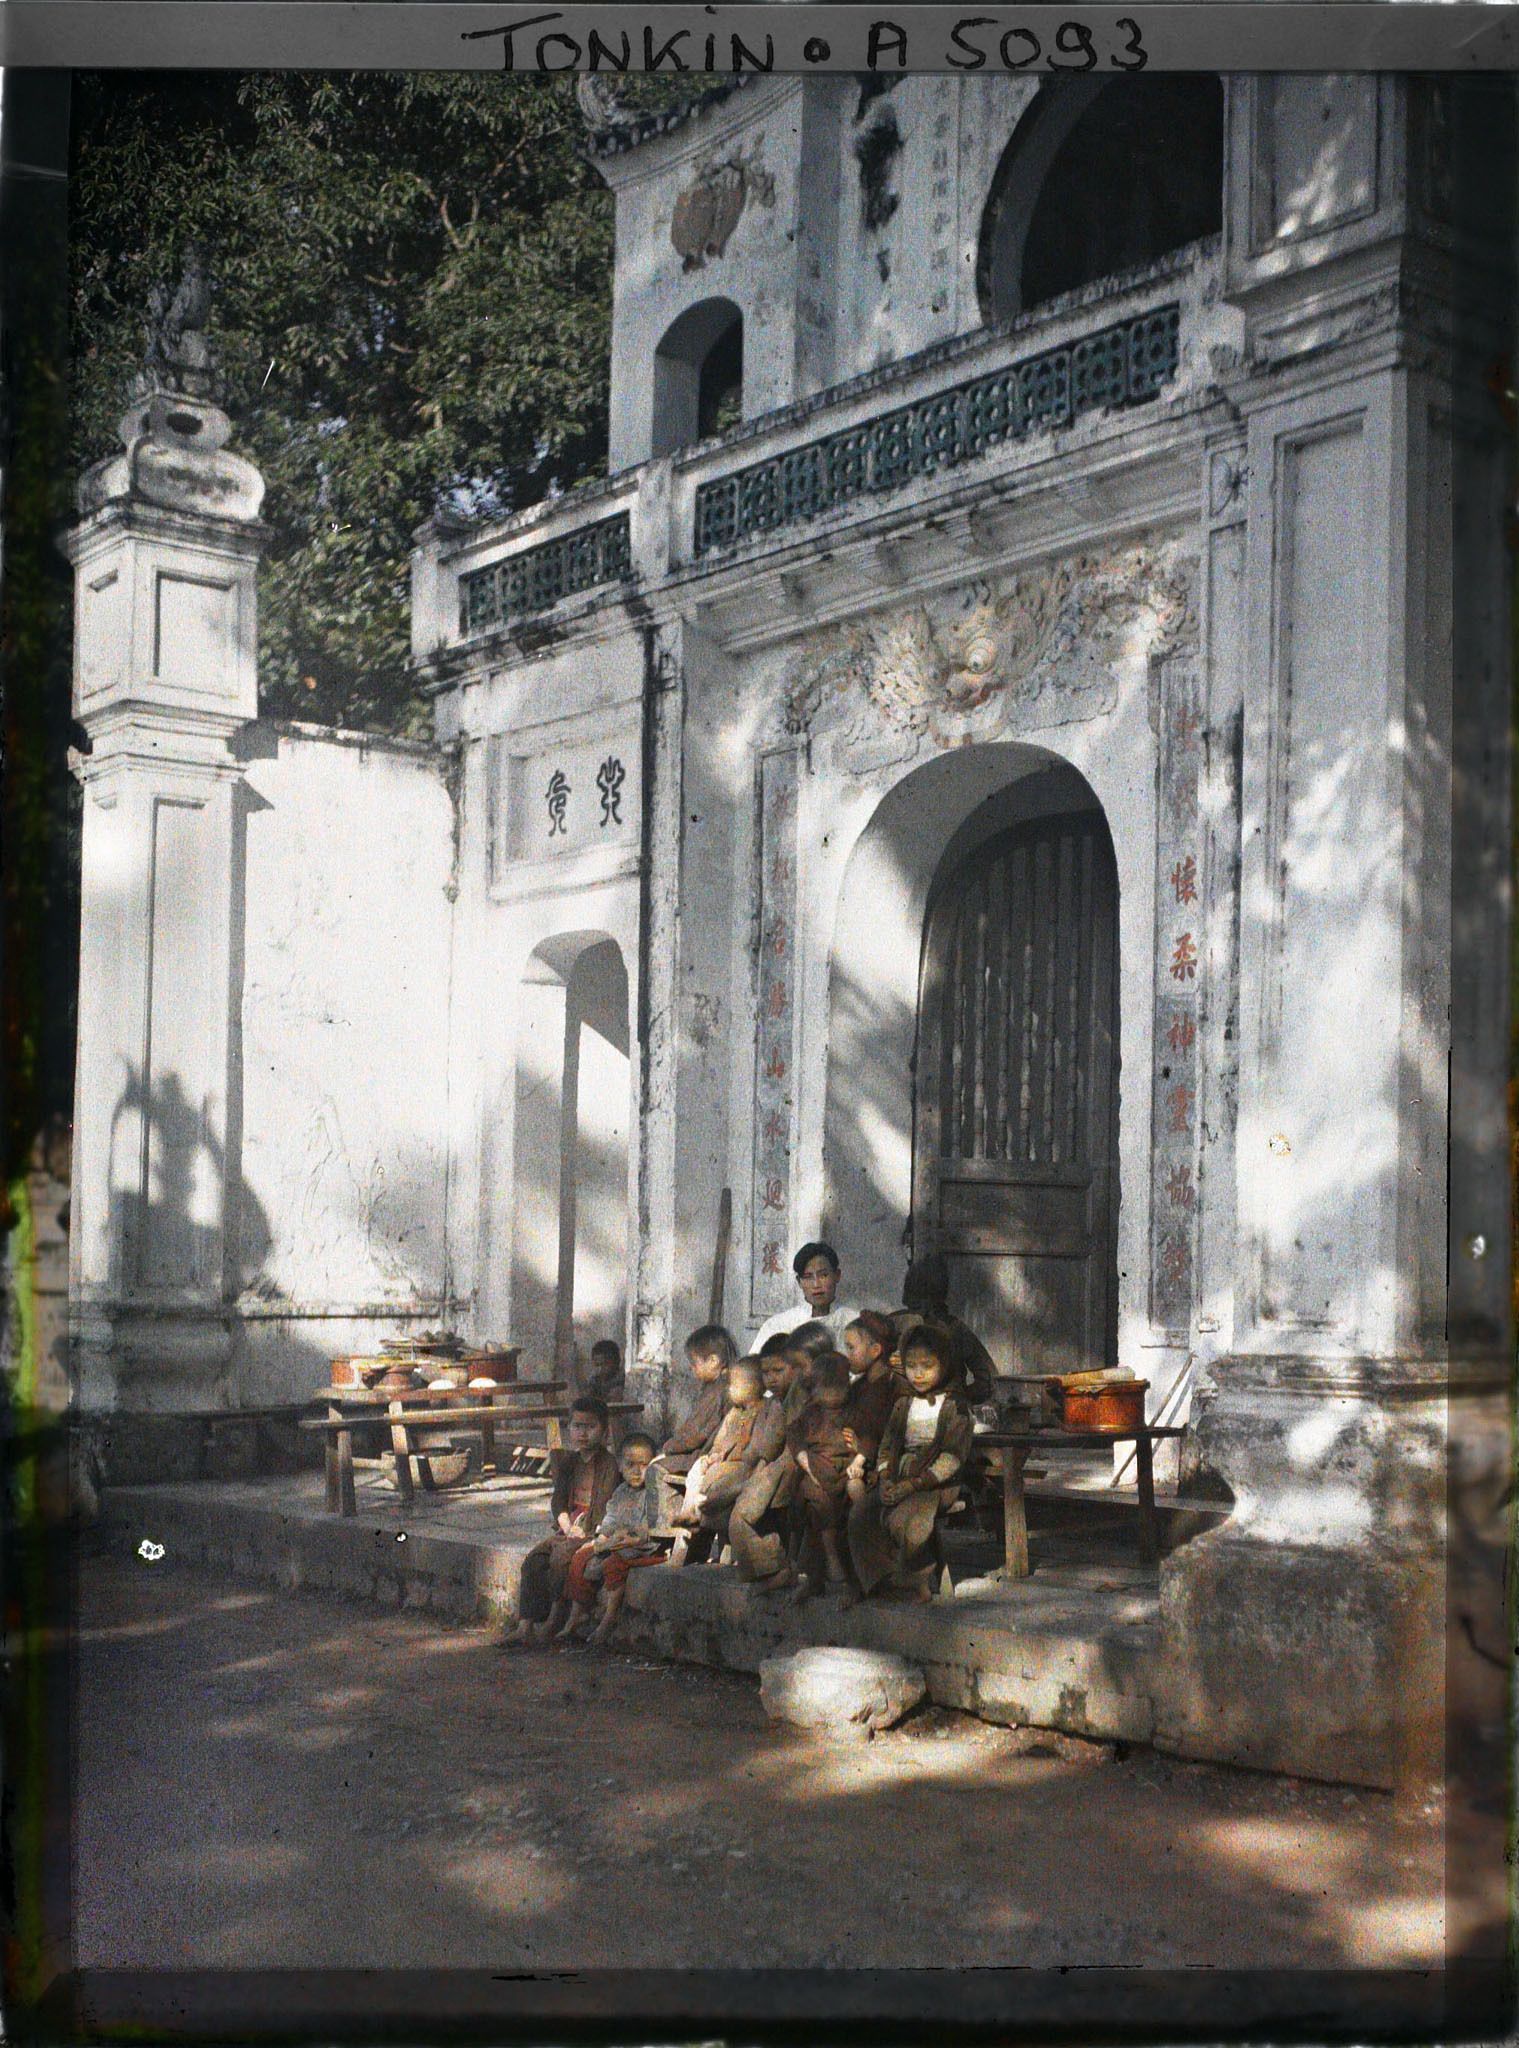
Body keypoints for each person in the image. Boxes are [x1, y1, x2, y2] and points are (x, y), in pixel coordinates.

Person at [845, 1322, 973, 1607]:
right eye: (911, 1366)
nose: (918, 1373)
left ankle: (917, 1583)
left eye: (927, 1366)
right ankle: (882, 1580)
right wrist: (885, 1478)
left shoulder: (956, 1407)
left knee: (908, 1518)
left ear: (944, 1364)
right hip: (899, 1476)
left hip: (936, 1482)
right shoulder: (904, 1404)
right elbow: (887, 1446)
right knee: (861, 1514)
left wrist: (913, 1485)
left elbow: (952, 1458)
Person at [504, 1395, 619, 1647]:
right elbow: (558, 1501)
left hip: (592, 1529)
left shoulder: (608, 1464)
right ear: (570, 1428)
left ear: (604, 1431)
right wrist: (566, 1525)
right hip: (569, 1527)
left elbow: (605, 1504)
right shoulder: (569, 1462)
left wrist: (582, 1531)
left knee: (560, 1558)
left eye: (590, 1427)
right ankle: (525, 1625)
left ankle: (555, 1618)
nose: (583, 1433)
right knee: (534, 1560)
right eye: (577, 1426)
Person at [558, 1433, 666, 1644]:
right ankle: (577, 1613)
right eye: (630, 1465)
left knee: (613, 1565)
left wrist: (634, 1538)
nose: (637, 1471)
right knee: (580, 1557)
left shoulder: (654, 1493)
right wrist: (602, 1537)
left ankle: (609, 1618)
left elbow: (655, 1526)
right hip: (617, 1542)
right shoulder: (620, 1492)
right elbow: (611, 1519)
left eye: (644, 1465)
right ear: (620, 1466)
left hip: (645, 1547)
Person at [728, 1343, 811, 1585]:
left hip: (792, 1462)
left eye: (778, 1371)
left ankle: (775, 1569)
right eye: (766, 1373)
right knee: (742, 1509)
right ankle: (767, 1569)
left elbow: (777, 1442)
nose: (771, 1378)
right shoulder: (775, 1402)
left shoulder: (797, 1398)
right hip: (778, 1463)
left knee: (745, 1512)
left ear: (794, 1369)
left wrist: (762, 1465)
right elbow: (768, 1442)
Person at [646, 1323, 735, 1530]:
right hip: (718, 1453)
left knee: (655, 1469)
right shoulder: (728, 1383)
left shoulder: (717, 1390)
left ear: (713, 1361)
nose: (692, 1369)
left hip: (705, 1455)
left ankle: (664, 1531)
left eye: (694, 1364)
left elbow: (694, 1434)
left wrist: (668, 1448)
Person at [670, 1357, 768, 1536]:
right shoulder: (734, 1413)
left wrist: (730, 1457)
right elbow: (720, 1440)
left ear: (754, 1386)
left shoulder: (763, 1412)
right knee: (696, 1471)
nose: (729, 1390)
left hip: (743, 1464)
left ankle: (700, 1512)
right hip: (723, 1459)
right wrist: (714, 1454)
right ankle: (689, 1510)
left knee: (714, 1482)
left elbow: (757, 1447)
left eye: (734, 1386)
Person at [787, 1352, 856, 1599]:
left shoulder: (852, 1411)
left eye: (840, 1388)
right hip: (816, 1467)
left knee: (833, 1501)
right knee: (815, 1498)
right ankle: (826, 1558)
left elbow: (864, 1440)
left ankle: (828, 1564)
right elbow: (795, 1438)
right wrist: (806, 1463)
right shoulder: (811, 1413)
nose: (833, 1395)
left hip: (844, 1469)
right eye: (826, 1389)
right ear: (815, 1389)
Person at [899, 1253, 997, 1404]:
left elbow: (988, 1380)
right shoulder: (955, 1328)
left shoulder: (955, 1329)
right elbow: (988, 1379)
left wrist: (956, 1400)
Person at [751, 1241, 862, 1353]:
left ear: (837, 1275)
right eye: (808, 1277)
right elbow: (755, 1362)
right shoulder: (778, 1325)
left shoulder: (855, 1321)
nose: (816, 1284)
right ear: (799, 1281)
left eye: (823, 1275)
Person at [841, 1309, 902, 1502]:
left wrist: (860, 1448)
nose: (847, 1355)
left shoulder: (893, 1386)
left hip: (881, 1465)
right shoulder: (858, 1386)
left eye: (851, 1348)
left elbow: (887, 1434)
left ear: (875, 1350)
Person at [587, 1337, 624, 1403]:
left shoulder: (621, 1380)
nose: (600, 1369)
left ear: (617, 1362)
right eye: (597, 1365)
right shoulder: (594, 1379)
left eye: (605, 1364)